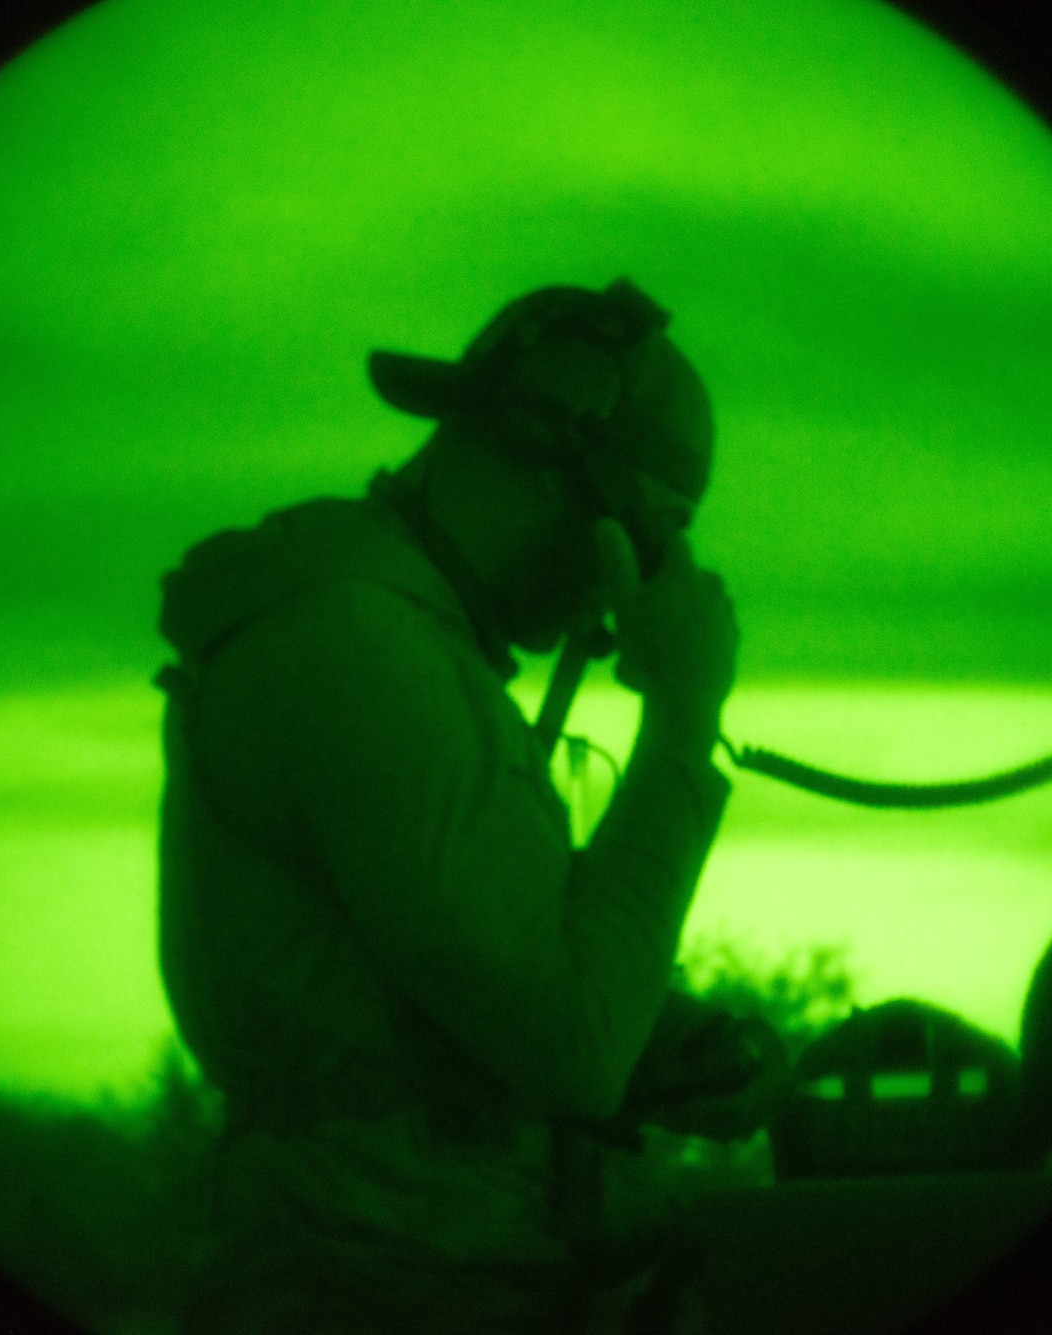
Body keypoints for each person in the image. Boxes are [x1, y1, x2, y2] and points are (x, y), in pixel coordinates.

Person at [154, 278, 783, 1334]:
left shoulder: (410, 648)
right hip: (384, 1287)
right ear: (586, 495)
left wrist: (666, 1043)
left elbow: (447, 990)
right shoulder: (360, 649)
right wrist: (680, 715)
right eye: (662, 531)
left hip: (424, 1267)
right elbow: (571, 1046)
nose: (663, 572)